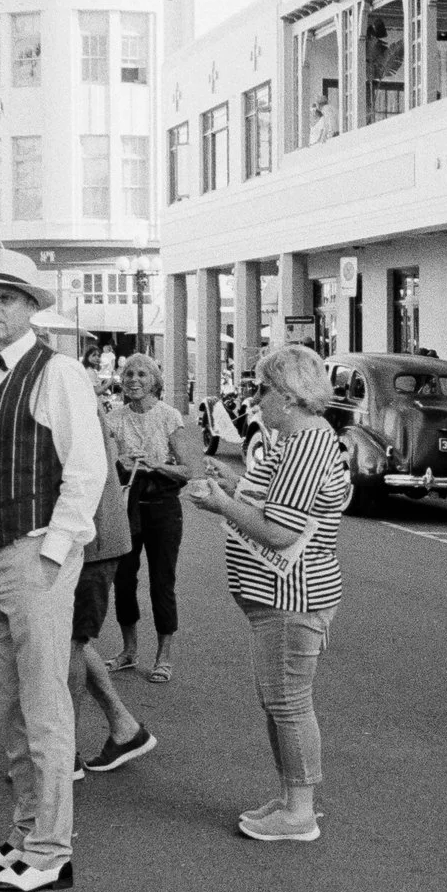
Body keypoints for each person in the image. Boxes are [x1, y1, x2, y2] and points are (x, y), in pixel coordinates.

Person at [0, 249, 109, 892]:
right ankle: (23, 836)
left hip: (34, 552)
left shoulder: (58, 371)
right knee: (10, 705)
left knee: (44, 705)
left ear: (31, 307)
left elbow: (86, 469)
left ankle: (49, 850)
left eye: (5, 297)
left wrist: (52, 552)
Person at [185, 344, 353, 843]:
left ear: (290, 396)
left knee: (288, 702)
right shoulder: (301, 440)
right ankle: (291, 798)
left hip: (290, 596)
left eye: (263, 389)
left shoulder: (305, 444)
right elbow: (278, 499)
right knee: (281, 700)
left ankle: (300, 810)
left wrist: (221, 504)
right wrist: (235, 483)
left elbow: (281, 531)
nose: (256, 399)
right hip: (283, 596)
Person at [71, 393, 155, 775]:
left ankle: (61, 754)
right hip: (90, 538)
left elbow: (76, 478)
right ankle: (125, 728)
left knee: (67, 644)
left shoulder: (61, 394)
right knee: (71, 641)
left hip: (89, 541)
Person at [103, 352, 189, 684]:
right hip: (128, 503)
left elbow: (188, 470)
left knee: (162, 582)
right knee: (123, 579)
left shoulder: (170, 416)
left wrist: (158, 464)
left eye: (141, 374)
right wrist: (120, 462)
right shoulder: (113, 418)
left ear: (154, 380)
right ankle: (128, 651)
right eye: (128, 375)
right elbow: (104, 464)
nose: (134, 380)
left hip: (164, 503)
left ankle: (163, 655)